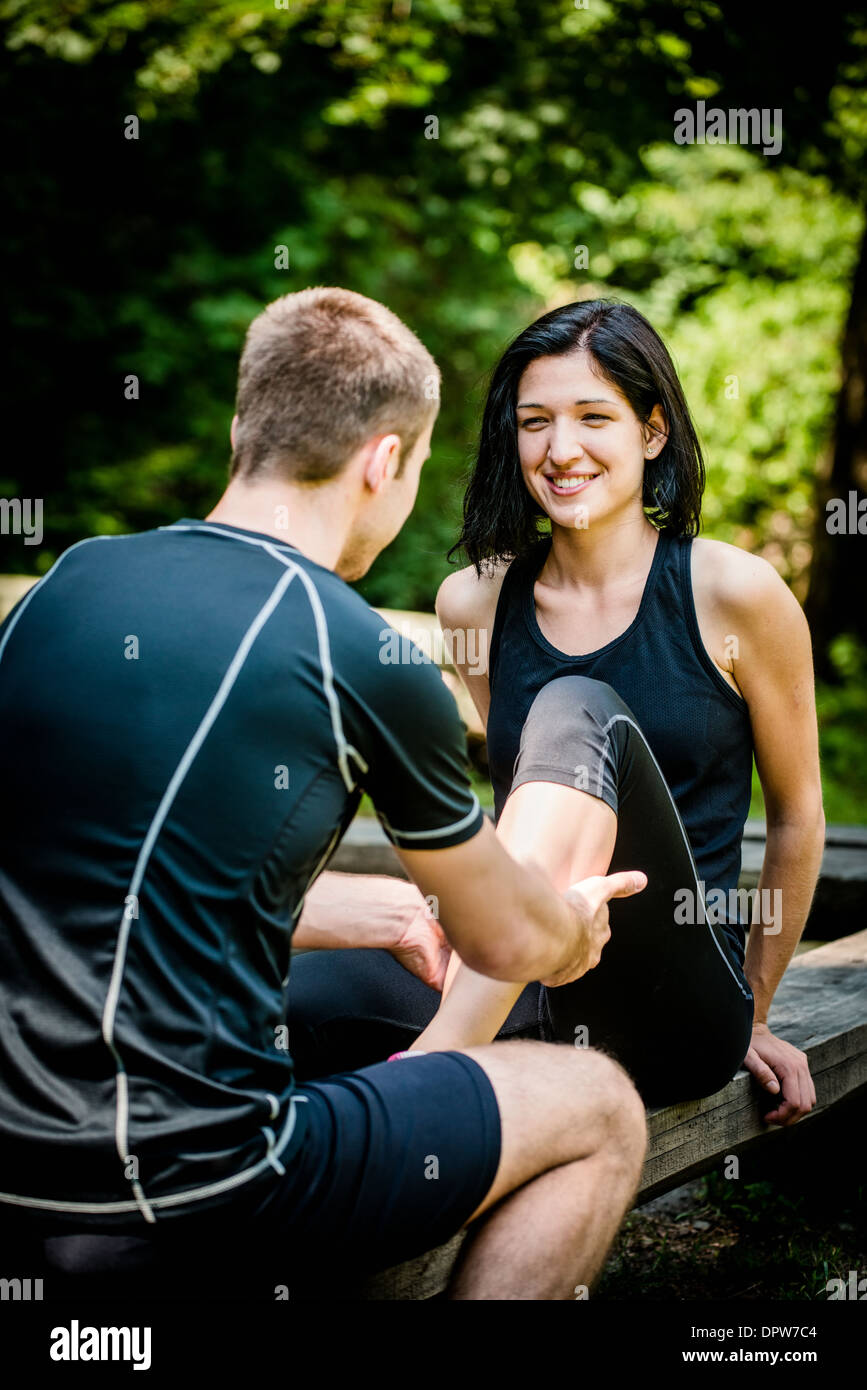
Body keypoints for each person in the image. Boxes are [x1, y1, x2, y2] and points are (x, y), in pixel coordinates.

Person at [0, 287, 649, 1302]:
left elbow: (116, 870)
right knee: (599, 1106)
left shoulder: (65, 588)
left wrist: (372, 907)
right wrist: (567, 928)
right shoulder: (358, 647)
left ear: (240, 430)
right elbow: (509, 943)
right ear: (384, 461)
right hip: (202, 1188)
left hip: (22, 1170)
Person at [287, 298, 825, 1123]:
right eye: (534, 421)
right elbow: (535, 803)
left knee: (574, 707)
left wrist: (748, 1008)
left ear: (651, 432)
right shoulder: (474, 602)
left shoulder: (735, 594)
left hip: (663, 1001)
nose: (559, 449)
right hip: (522, 978)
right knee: (291, 995)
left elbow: (796, 817)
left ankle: (435, 1065)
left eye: (592, 417)